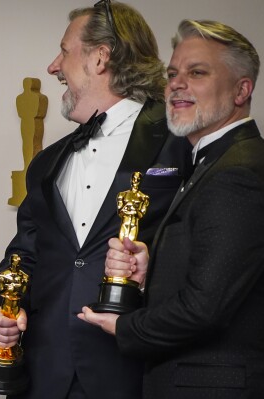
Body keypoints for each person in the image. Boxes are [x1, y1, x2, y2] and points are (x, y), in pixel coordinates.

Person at [0, 2, 190, 398]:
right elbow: (24, 254)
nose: (53, 67)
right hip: (44, 372)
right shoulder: (47, 162)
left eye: (64, 51)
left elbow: (203, 253)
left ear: (100, 57)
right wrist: (5, 308)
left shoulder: (180, 140)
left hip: (133, 371)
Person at [80, 20, 264, 398]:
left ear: (241, 90)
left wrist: (123, 327)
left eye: (197, 73)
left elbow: (204, 309)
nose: (176, 85)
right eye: (173, 73)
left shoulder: (238, 171)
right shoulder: (212, 162)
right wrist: (153, 271)